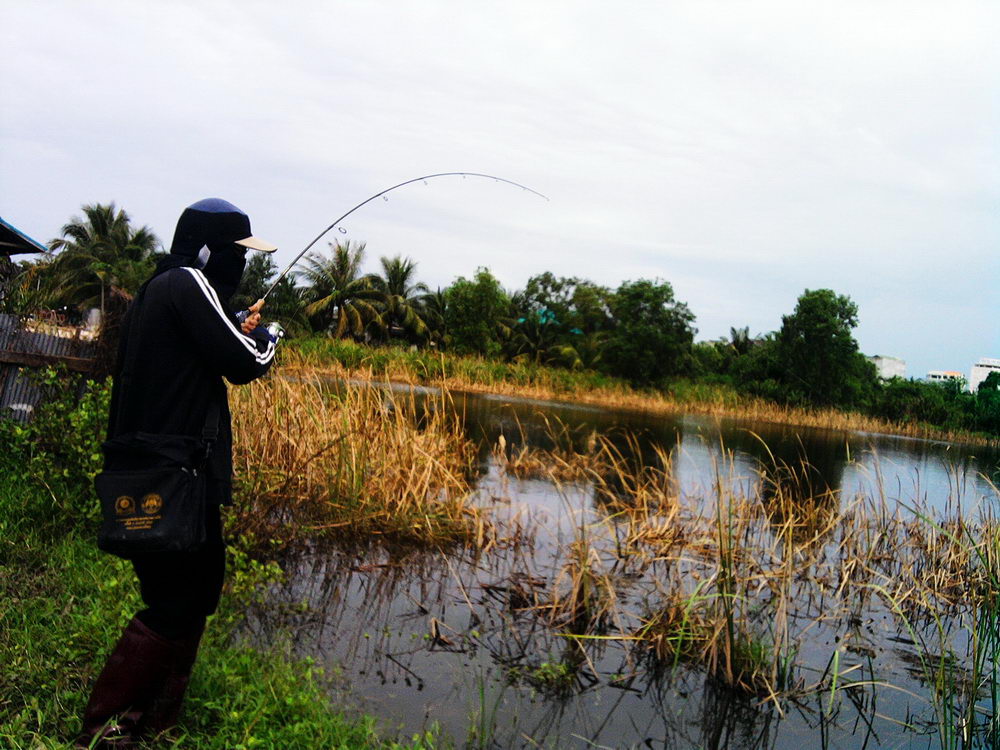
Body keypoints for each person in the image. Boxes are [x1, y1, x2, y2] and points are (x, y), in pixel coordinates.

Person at [77, 198, 279, 748]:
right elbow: (245, 363)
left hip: (178, 475)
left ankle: (156, 722)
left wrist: (234, 326)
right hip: (170, 478)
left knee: (200, 591)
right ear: (210, 248)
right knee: (174, 601)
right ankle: (105, 731)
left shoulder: (164, 288)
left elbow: (204, 350)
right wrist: (267, 337)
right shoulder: (187, 281)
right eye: (238, 253)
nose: (241, 266)